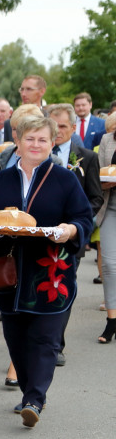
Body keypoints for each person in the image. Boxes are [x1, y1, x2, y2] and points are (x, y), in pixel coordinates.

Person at [0, 115, 93, 427]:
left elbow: (83, 219)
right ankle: (29, 393)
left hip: (52, 273)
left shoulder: (65, 180)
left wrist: (70, 229)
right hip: (9, 273)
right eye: (30, 139)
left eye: (43, 140)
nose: (36, 145)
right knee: (16, 337)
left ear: (52, 144)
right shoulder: (2, 179)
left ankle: (35, 398)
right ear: (18, 142)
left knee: (46, 337)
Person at [94, 113, 116, 342]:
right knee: (109, 265)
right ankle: (112, 320)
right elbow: (98, 177)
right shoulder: (106, 141)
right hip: (110, 207)